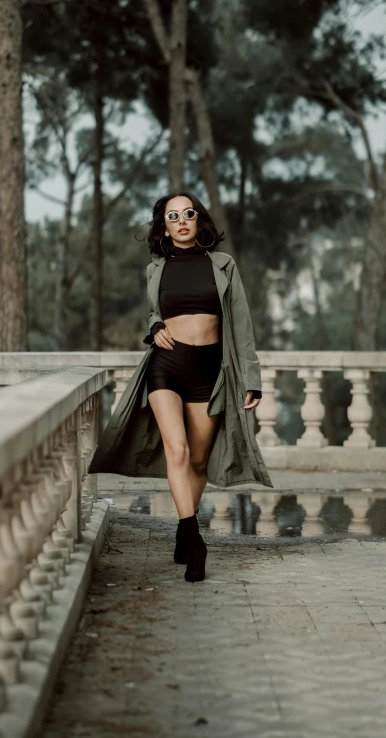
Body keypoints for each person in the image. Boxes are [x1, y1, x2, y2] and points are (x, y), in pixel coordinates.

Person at [87, 191, 273, 584]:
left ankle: (182, 528)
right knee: (178, 449)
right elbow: (157, 312)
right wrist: (154, 327)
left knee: (199, 461)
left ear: (198, 219)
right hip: (165, 367)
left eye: (188, 213)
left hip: (209, 371)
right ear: (165, 227)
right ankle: (194, 536)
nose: (182, 220)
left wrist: (252, 378)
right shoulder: (157, 268)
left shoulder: (223, 265)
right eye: (173, 216)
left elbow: (241, 326)